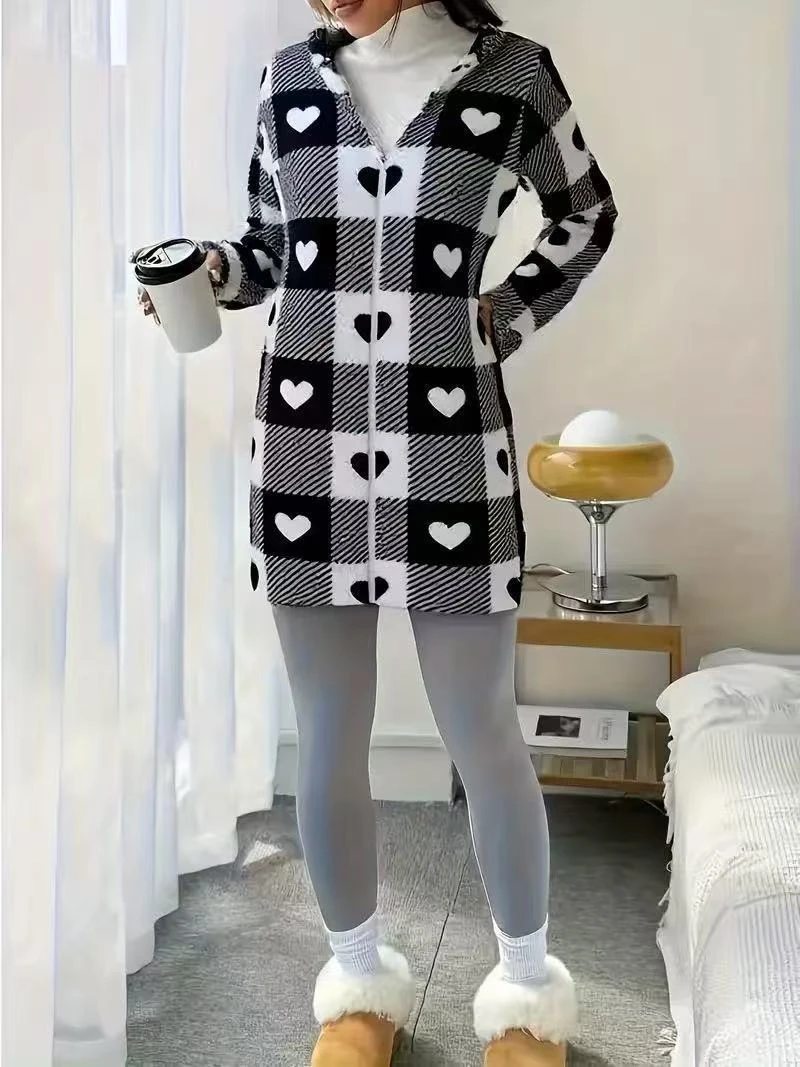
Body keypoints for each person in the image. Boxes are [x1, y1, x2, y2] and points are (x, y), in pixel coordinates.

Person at [141, 1, 617, 1063]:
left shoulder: (515, 76)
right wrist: (210, 271)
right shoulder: (286, 81)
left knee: (481, 728)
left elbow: (586, 213)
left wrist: (501, 314)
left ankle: (525, 994)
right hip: (305, 443)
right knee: (326, 729)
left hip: (450, 447)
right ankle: (356, 982)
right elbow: (271, 251)